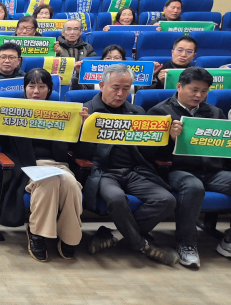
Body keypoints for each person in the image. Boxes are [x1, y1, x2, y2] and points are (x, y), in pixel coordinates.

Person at [75, 64, 179, 266]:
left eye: (126, 88)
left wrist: (166, 137)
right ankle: (143, 246)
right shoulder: (86, 112)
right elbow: (79, 154)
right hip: (103, 172)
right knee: (115, 198)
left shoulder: (137, 111)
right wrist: (82, 131)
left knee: (166, 200)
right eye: (115, 87)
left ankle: (114, 235)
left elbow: (148, 153)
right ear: (101, 85)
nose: (121, 93)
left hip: (134, 171)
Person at [0, 69, 84, 261]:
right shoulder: (13, 109)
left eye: (42, 86)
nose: (36, 91)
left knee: (71, 184)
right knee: (49, 182)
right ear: (25, 88)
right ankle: (37, 234)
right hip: (26, 166)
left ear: (50, 90)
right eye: (32, 86)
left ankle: (69, 237)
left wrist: (81, 126)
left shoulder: (61, 111)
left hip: (58, 164)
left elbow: (78, 149)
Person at [148, 67, 230, 268]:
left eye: (204, 91)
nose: (199, 95)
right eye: (194, 90)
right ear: (179, 86)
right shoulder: (160, 112)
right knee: (193, 187)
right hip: (176, 170)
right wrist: (169, 139)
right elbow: (147, 155)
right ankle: (187, 244)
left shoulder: (215, 112)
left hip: (212, 170)